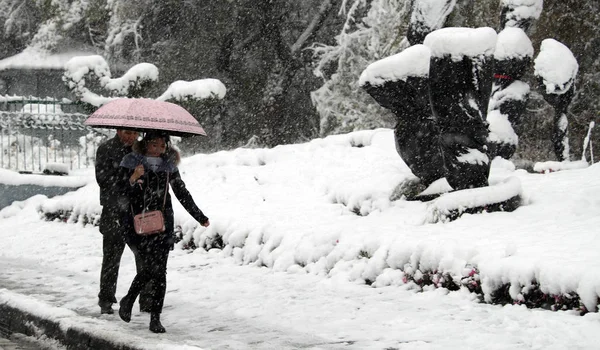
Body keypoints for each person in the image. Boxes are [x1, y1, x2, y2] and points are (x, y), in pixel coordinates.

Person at [117, 130, 210, 333]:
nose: (158, 148)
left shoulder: (168, 166)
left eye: (162, 145)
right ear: (145, 144)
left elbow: (181, 192)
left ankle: (154, 318)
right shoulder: (131, 162)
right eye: (154, 144)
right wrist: (134, 178)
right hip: (139, 224)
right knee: (150, 269)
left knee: (160, 272)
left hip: (162, 224)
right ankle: (129, 299)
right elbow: (121, 192)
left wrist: (199, 216)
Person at [95, 129, 152, 315]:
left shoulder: (142, 150)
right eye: (127, 133)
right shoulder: (106, 149)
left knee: (144, 257)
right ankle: (106, 299)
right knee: (112, 257)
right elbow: (103, 179)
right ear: (118, 130)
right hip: (114, 211)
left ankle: (147, 300)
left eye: (134, 133)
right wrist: (130, 177)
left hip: (137, 211)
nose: (130, 137)